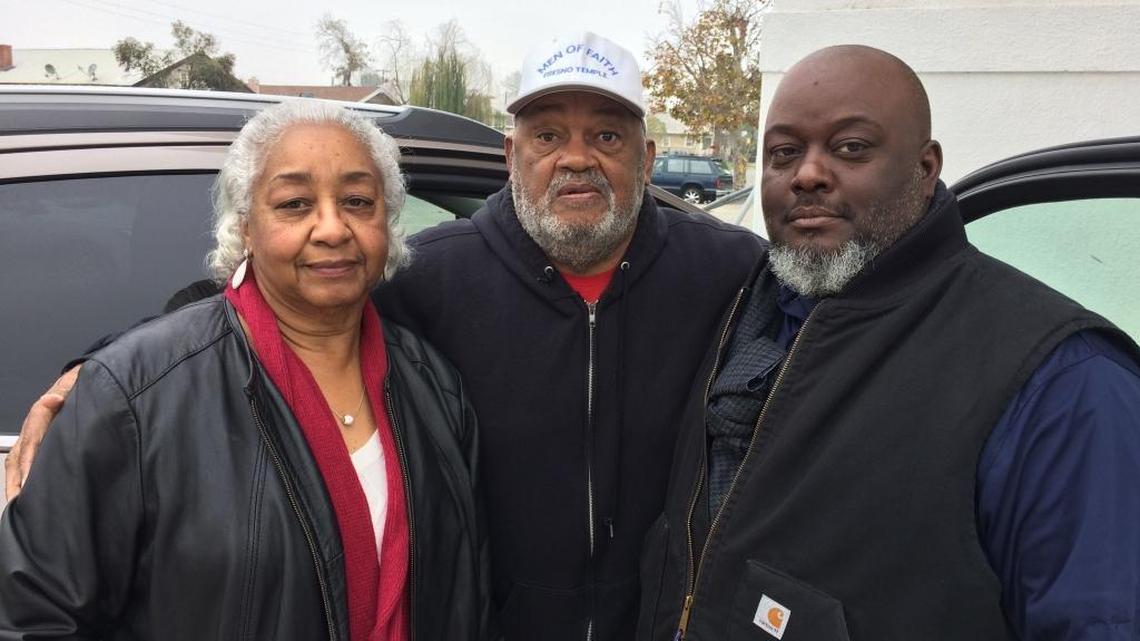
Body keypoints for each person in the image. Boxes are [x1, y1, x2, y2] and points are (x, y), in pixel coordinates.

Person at [3, 33, 764, 640]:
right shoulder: (436, 277)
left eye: (606, 133)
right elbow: (261, 305)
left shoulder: (728, 272)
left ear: (647, 156)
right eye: (547, 133)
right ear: (509, 155)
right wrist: (99, 371)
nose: (576, 156)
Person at [637, 45, 1140, 641]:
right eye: (783, 153)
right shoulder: (744, 313)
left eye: (851, 148)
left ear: (925, 168)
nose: (808, 174)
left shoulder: (1062, 382)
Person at [0, 100, 495, 640]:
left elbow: (466, 599)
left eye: (357, 200)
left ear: (387, 221)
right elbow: (36, 617)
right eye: (294, 203)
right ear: (247, 228)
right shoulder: (135, 397)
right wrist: (102, 379)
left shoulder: (434, 386)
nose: (332, 228)